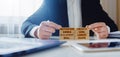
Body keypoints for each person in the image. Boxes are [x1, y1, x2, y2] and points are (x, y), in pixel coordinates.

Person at [21, 0, 118, 39]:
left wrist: (106, 30)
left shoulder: (92, 2)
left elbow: (113, 26)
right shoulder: (51, 2)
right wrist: (37, 31)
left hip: (88, 50)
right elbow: (26, 24)